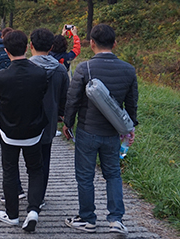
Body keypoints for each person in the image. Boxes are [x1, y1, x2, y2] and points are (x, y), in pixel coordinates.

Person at [63, 24, 138, 235]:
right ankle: (116, 220)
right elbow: (132, 103)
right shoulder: (128, 69)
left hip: (87, 130)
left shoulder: (84, 68)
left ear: (92, 43)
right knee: (113, 174)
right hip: (113, 133)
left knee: (85, 176)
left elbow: (72, 100)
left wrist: (68, 123)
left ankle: (87, 219)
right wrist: (130, 127)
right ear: (115, 43)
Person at [0, 30, 48, 232]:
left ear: (6, 51)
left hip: (9, 130)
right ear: (27, 47)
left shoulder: (1, 76)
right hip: (34, 130)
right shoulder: (40, 74)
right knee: (35, 169)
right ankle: (33, 210)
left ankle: (12, 214)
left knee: (10, 169)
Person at [29, 28, 69, 207]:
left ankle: (19, 191)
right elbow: (64, 98)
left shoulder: (25, 66)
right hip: (49, 120)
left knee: (20, 157)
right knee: (44, 159)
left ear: (31, 45)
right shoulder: (60, 70)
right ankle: (39, 197)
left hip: (26, 121)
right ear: (51, 46)